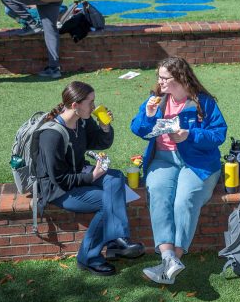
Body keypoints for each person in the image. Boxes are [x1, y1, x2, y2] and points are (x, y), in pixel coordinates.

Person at [130, 57, 227, 285]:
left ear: (181, 78)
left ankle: (174, 260)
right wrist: (149, 114)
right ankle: (168, 258)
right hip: (164, 159)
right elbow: (138, 128)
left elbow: (218, 135)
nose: (160, 82)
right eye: (159, 77)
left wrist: (189, 135)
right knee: (157, 192)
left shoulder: (203, 103)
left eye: (165, 78)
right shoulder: (156, 100)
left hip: (198, 162)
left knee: (184, 199)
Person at [37, 81, 145, 276]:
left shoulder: (83, 121)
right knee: (108, 202)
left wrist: (105, 128)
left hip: (79, 174)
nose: (94, 107)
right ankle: (88, 257)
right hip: (59, 190)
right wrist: (92, 176)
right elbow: (60, 179)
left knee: (116, 178)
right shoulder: (51, 135)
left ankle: (116, 241)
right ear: (75, 105)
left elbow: (100, 143)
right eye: (90, 102)